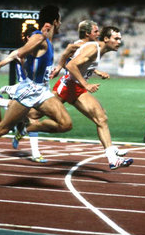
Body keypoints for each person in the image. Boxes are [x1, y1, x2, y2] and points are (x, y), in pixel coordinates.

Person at [0, 5, 73, 180]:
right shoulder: (39, 37)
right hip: (29, 91)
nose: (60, 23)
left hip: (43, 91)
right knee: (2, 128)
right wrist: (22, 56)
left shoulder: (47, 40)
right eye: (59, 20)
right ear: (54, 21)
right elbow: (21, 52)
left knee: (66, 124)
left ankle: (25, 128)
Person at [0, 24, 69, 163]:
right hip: (23, 87)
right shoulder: (19, 52)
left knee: (31, 116)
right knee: (29, 118)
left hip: (39, 88)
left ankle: (19, 128)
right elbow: (0, 64)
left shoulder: (41, 49)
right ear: (29, 38)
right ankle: (35, 152)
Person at [52, 25, 133, 169]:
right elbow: (71, 65)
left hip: (76, 87)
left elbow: (80, 59)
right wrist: (85, 84)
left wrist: (96, 71)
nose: (119, 41)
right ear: (106, 39)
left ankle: (111, 155)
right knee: (34, 112)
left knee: (101, 117)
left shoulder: (98, 49)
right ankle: (5, 103)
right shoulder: (94, 48)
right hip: (68, 86)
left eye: (120, 38)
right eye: (116, 38)